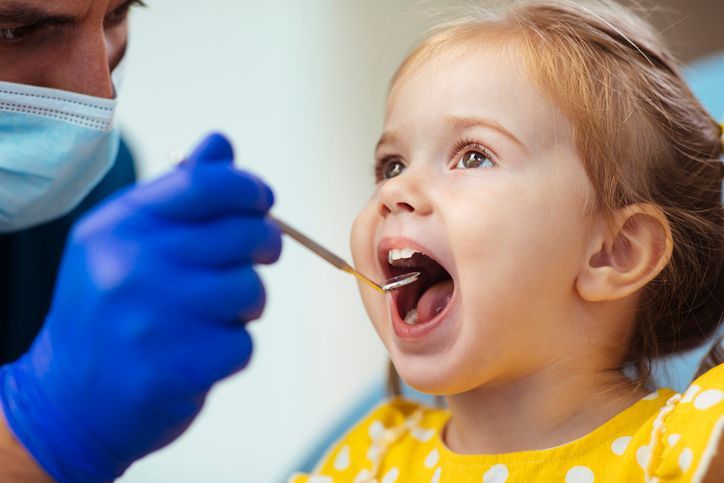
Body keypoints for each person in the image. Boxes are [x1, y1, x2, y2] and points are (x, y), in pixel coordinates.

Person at [290, 1, 723, 481]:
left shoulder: (685, 446)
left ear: (614, 252)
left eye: (473, 157)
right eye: (392, 164)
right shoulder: (368, 460)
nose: (394, 191)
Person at [0, 0, 282, 481]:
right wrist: (36, 435)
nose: (100, 91)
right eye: (17, 32)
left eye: (116, 14)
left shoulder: (92, 184)